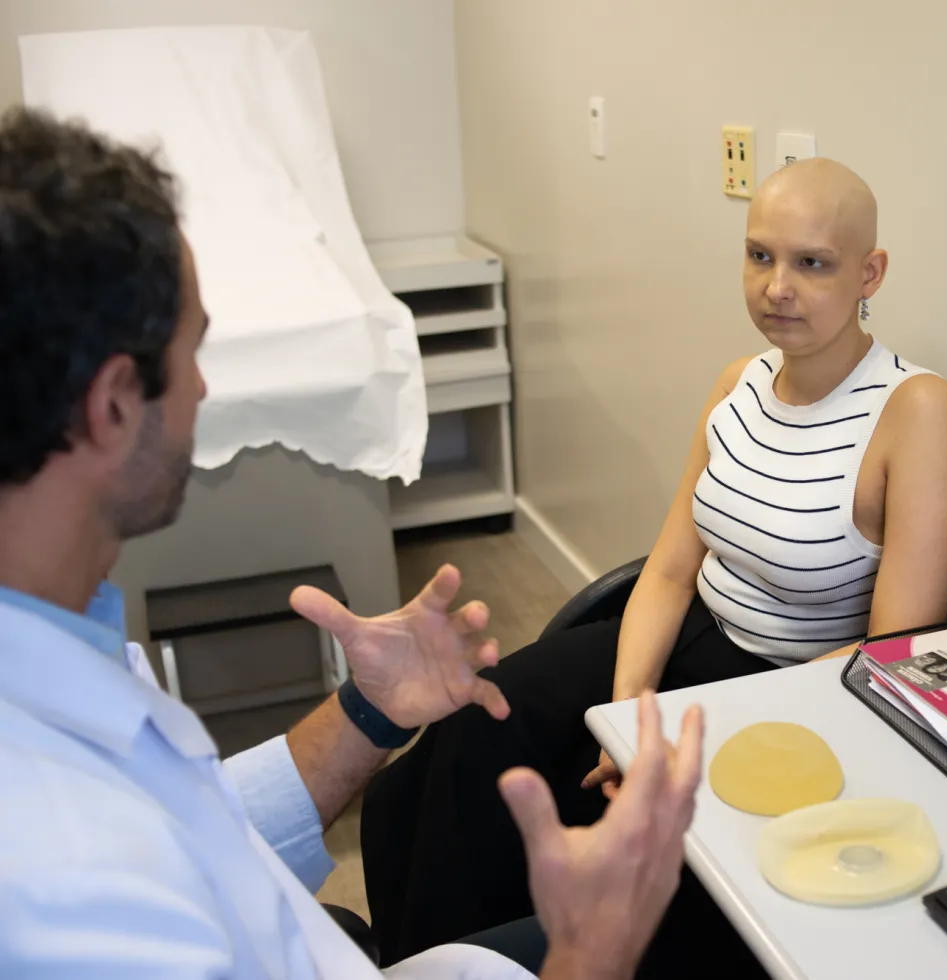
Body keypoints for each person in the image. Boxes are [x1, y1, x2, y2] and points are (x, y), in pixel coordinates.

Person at [0, 105, 705, 980]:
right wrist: (594, 949)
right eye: (194, 354)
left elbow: (195, 830)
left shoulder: (51, 642)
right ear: (112, 405)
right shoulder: (63, 893)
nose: (205, 388)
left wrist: (364, 714)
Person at [361, 158, 947, 971]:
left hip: (794, 685)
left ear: (871, 272)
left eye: (812, 263)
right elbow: (668, 571)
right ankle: (423, 965)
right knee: (468, 739)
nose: (776, 287)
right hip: (687, 635)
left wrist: (658, 742)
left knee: (555, 815)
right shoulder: (739, 383)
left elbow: (891, 654)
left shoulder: (917, 412)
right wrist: (623, 717)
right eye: (759, 256)